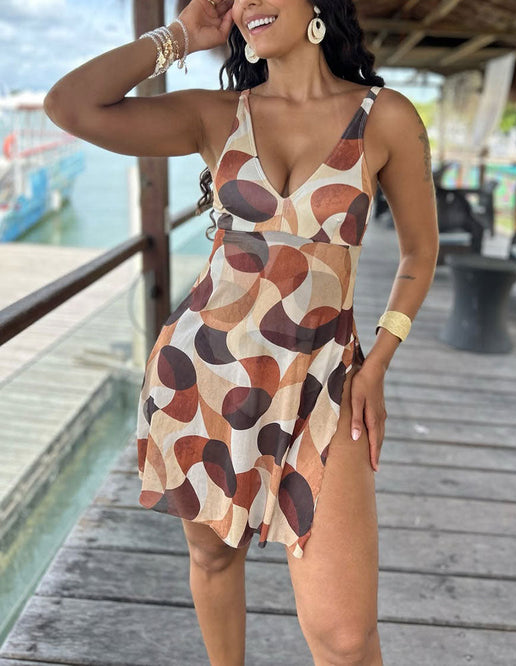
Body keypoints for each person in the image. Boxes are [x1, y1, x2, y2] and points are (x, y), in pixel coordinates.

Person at [44, 1, 439, 664]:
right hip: (202, 375)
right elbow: (69, 106)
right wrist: (179, 36)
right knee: (213, 558)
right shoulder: (218, 115)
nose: (250, 1)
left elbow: (419, 253)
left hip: (324, 385)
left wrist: (377, 363)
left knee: (345, 636)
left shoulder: (384, 116)